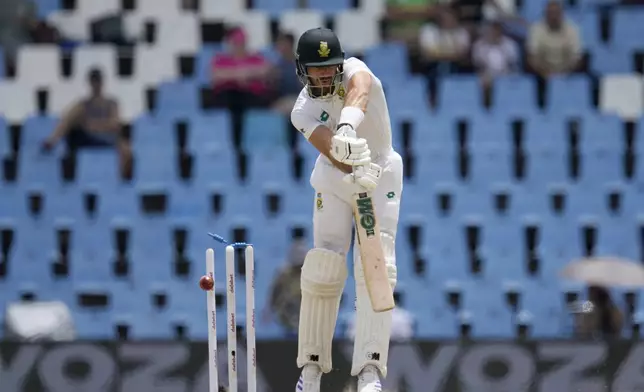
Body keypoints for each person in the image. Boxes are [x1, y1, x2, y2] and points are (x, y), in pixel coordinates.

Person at [290, 28, 403, 392]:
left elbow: (361, 91)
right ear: (302, 70)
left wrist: (345, 128)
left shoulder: (356, 69)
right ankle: (310, 372)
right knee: (324, 265)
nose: (324, 74)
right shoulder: (302, 110)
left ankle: (370, 373)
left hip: (381, 173)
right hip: (337, 175)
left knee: (377, 265)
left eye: (330, 67)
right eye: (316, 69)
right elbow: (329, 151)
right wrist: (348, 160)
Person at [41, 68, 132, 178]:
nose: (96, 84)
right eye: (94, 81)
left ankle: (121, 179)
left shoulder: (111, 103)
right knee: (72, 119)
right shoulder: (83, 105)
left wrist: (92, 125)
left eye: (98, 81)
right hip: (88, 138)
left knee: (125, 148)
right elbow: (67, 120)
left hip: (107, 137)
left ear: (102, 83)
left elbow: (115, 125)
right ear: (90, 83)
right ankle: (53, 141)